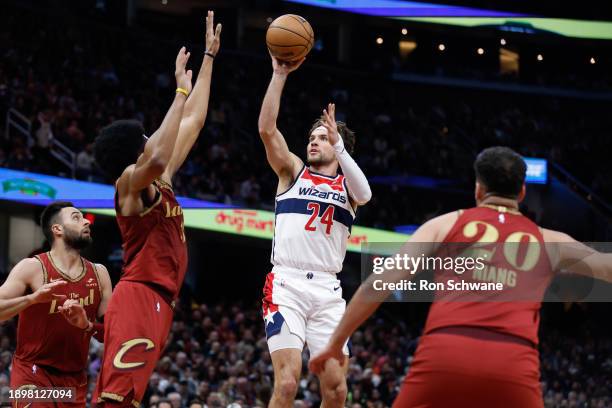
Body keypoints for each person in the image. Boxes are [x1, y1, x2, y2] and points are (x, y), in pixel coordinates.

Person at [310, 146, 612, 407]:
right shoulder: (548, 240)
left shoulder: (444, 224)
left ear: (478, 189)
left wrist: (336, 342)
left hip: (445, 353)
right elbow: (606, 267)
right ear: (521, 192)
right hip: (513, 361)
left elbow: (380, 282)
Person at [92, 12, 221, 407]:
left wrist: (208, 59)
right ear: (137, 148)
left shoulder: (158, 180)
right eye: (146, 136)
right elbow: (161, 154)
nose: (154, 136)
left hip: (161, 300)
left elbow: (195, 121)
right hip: (139, 294)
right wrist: (178, 94)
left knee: (125, 397)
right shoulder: (130, 182)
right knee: (117, 398)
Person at [257, 55, 371, 408]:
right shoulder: (293, 171)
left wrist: (339, 144)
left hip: (327, 291)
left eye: (323, 138)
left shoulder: (348, 189)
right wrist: (278, 75)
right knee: (288, 383)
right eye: (312, 137)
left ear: (338, 146)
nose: (314, 141)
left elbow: (365, 194)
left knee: (337, 389)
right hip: (287, 283)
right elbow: (266, 130)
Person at [0, 201, 112, 407]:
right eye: (76, 217)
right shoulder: (32, 267)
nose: (87, 221)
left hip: (73, 380)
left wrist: (86, 325)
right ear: (57, 229)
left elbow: (113, 333)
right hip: (32, 372)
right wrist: (32, 299)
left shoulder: (100, 274)